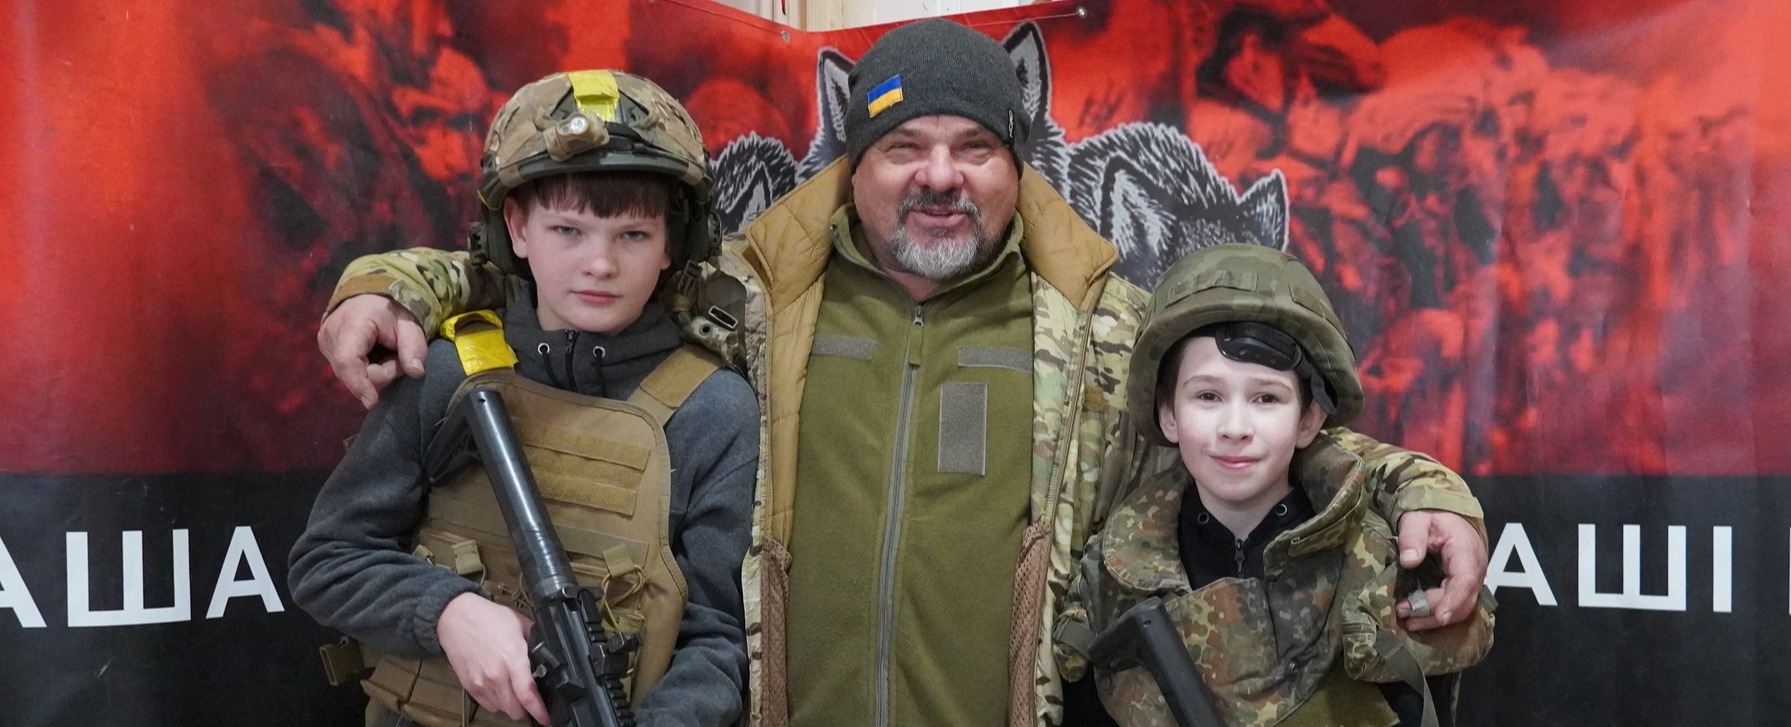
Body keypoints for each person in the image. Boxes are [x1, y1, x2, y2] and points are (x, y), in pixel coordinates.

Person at [309, 19, 1489, 726]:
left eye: (974, 147)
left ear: (1016, 165)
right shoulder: (746, 297)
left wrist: (1421, 489)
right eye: (903, 147)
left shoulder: (1100, 328)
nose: (939, 175)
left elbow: (1254, 418)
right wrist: (394, 284)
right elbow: (561, 268)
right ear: (853, 163)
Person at [287, 69, 757, 727]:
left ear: (670, 246)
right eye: (567, 230)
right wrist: (450, 612)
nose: (600, 264)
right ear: (516, 228)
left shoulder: (714, 409)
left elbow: (718, 638)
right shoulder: (448, 369)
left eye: (633, 235)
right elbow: (327, 561)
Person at [1055, 243, 1493, 727]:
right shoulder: (1113, 575)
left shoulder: (1374, 564)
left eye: (1266, 398)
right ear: (1168, 413)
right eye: (1208, 395)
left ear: (1309, 419)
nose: (1234, 427)